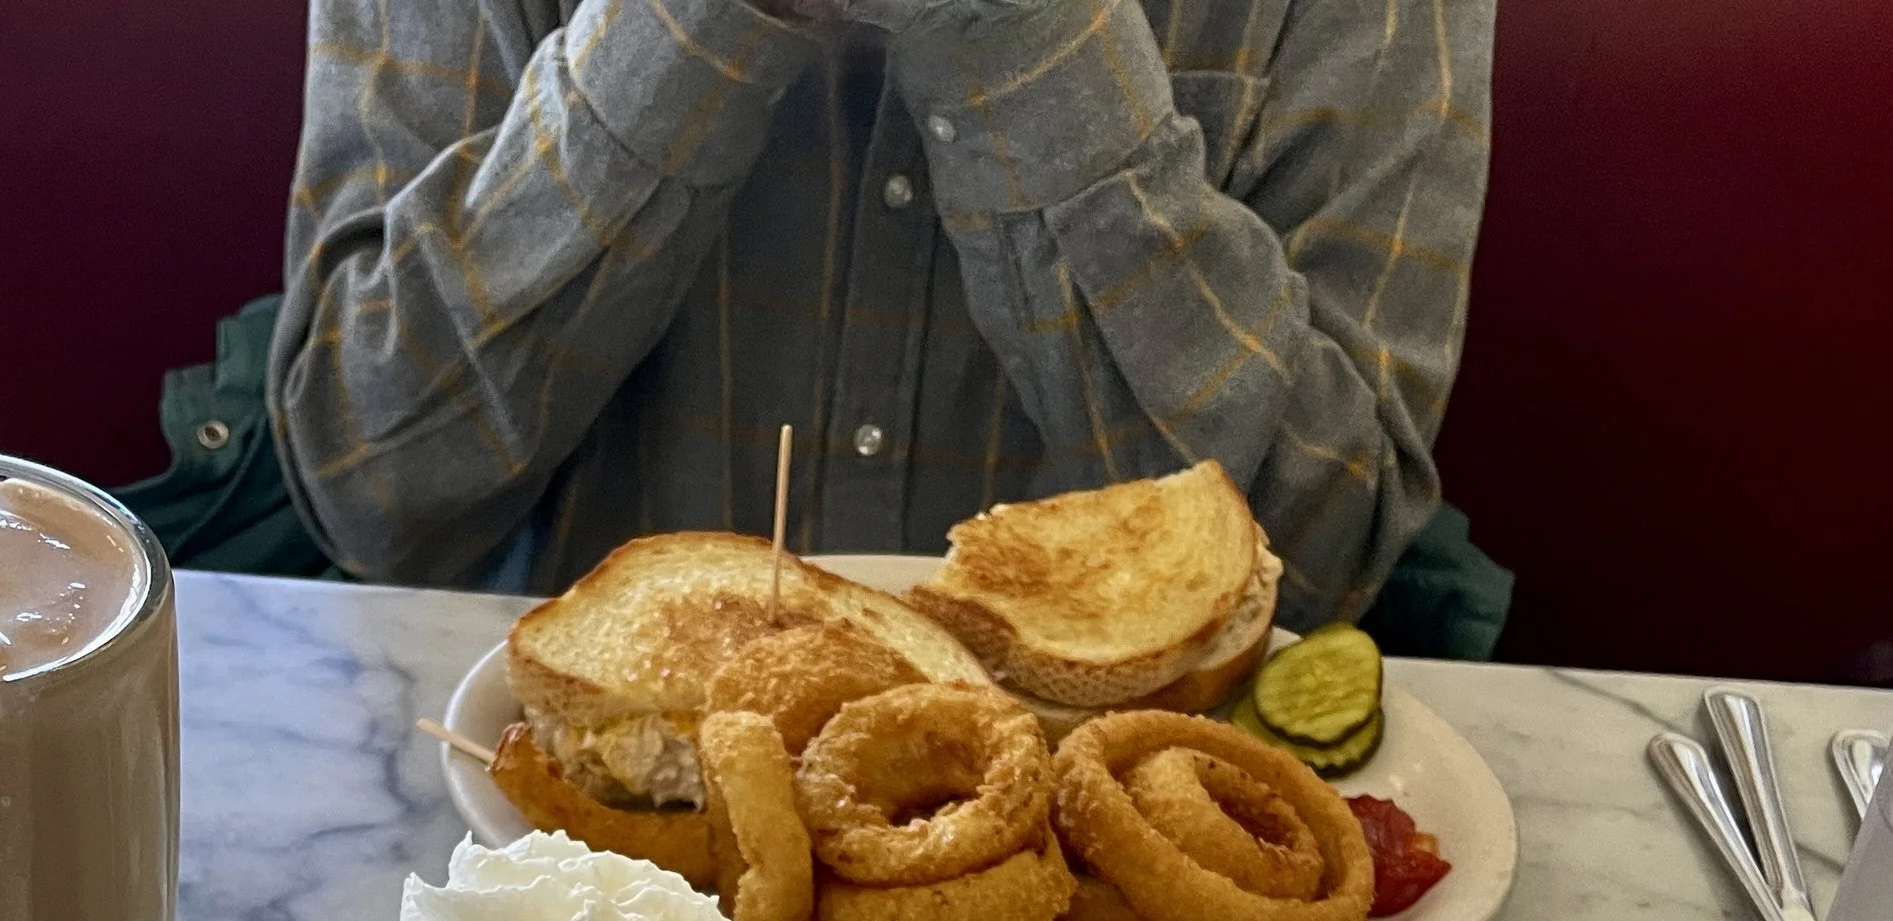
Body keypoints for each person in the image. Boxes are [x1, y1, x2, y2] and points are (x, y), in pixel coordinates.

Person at [267, 0, 1497, 631]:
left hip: (1112, 913)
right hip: (569, 845)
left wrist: (1025, 28)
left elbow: (1310, 566)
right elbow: (374, 482)